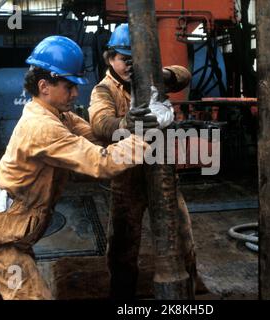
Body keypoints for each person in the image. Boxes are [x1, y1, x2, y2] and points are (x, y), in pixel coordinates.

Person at [0, 35, 156, 300]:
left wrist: (126, 124)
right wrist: (146, 138)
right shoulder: (43, 127)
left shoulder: (58, 115)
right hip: (4, 241)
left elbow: (94, 137)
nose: (76, 93)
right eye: (69, 86)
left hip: (4, 229)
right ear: (44, 86)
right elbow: (101, 162)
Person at [88, 23, 197, 299]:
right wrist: (127, 122)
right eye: (124, 59)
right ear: (110, 57)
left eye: (135, 60)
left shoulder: (150, 79)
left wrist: (161, 74)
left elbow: (184, 76)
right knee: (123, 249)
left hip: (162, 175)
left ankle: (187, 295)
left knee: (183, 241)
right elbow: (101, 124)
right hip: (127, 180)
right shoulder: (104, 90)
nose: (129, 66)